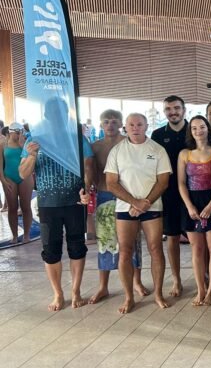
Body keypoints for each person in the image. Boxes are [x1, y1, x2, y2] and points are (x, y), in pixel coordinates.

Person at [19, 110, 93, 311]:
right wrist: (32, 155)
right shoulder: (34, 140)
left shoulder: (76, 139)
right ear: (47, 117)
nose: (57, 120)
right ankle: (58, 293)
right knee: (51, 250)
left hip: (75, 203)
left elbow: (88, 167)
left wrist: (87, 190)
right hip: (47, 205)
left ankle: (75, 291)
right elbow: (23, 173)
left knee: (77, 247)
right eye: (54, 116)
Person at [105, 113, 172, 313]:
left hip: (152, 207)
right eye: (131, 124)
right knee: (125, 251)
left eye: (139, 124)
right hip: (126, 208)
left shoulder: (157, 150)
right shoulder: (117, 151)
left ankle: (158, 293)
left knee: (155, 249)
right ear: (126, 127)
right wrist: (134, 202)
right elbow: (111, 183)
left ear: (146, 126)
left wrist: (146, 203)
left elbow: (163, 181)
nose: (135, 128)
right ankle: (128, 297)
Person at [89, 110, 147, 304]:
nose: (110, 125)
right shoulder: (95, 147)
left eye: (114, 122)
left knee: (132, 242)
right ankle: (103, 286)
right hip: (104, 196)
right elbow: (91, 173)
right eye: (106, 122)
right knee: (105, 242)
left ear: (121, 124)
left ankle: (137, 281)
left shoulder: (128, 143)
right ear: (100, 124)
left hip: (128, 197)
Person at [178, 116, 211, 306]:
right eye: (194, 128)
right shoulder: (184, 154)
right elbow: (181, 183)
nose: (198, 131)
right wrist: (189, 205)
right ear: (190, 131)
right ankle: (200, 288)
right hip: (192, 202)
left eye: (202, 127)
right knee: (197, 248)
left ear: (207, 128)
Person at [151, 95, 188, 298]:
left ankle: (206, 274)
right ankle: (176, 279)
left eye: (176, 108)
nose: (173, 112)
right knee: (172, 238)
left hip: (194, 193)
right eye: (168, 109)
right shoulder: (157, 135)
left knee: (199, 239)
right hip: (169, 194)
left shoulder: (195, 130)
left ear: (184, 110)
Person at [1, 122, 33, 244]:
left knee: (25, 207)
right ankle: (14, 235)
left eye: (20, 132)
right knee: (12, 208)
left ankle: (26, 234)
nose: (19, 135)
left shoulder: (26, 143)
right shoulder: (3, 144)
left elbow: (32, 159)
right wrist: (2, 179)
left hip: (25, 177)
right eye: (17, 133)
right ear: (10, 132)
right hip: (9, 176)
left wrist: (22, 145)